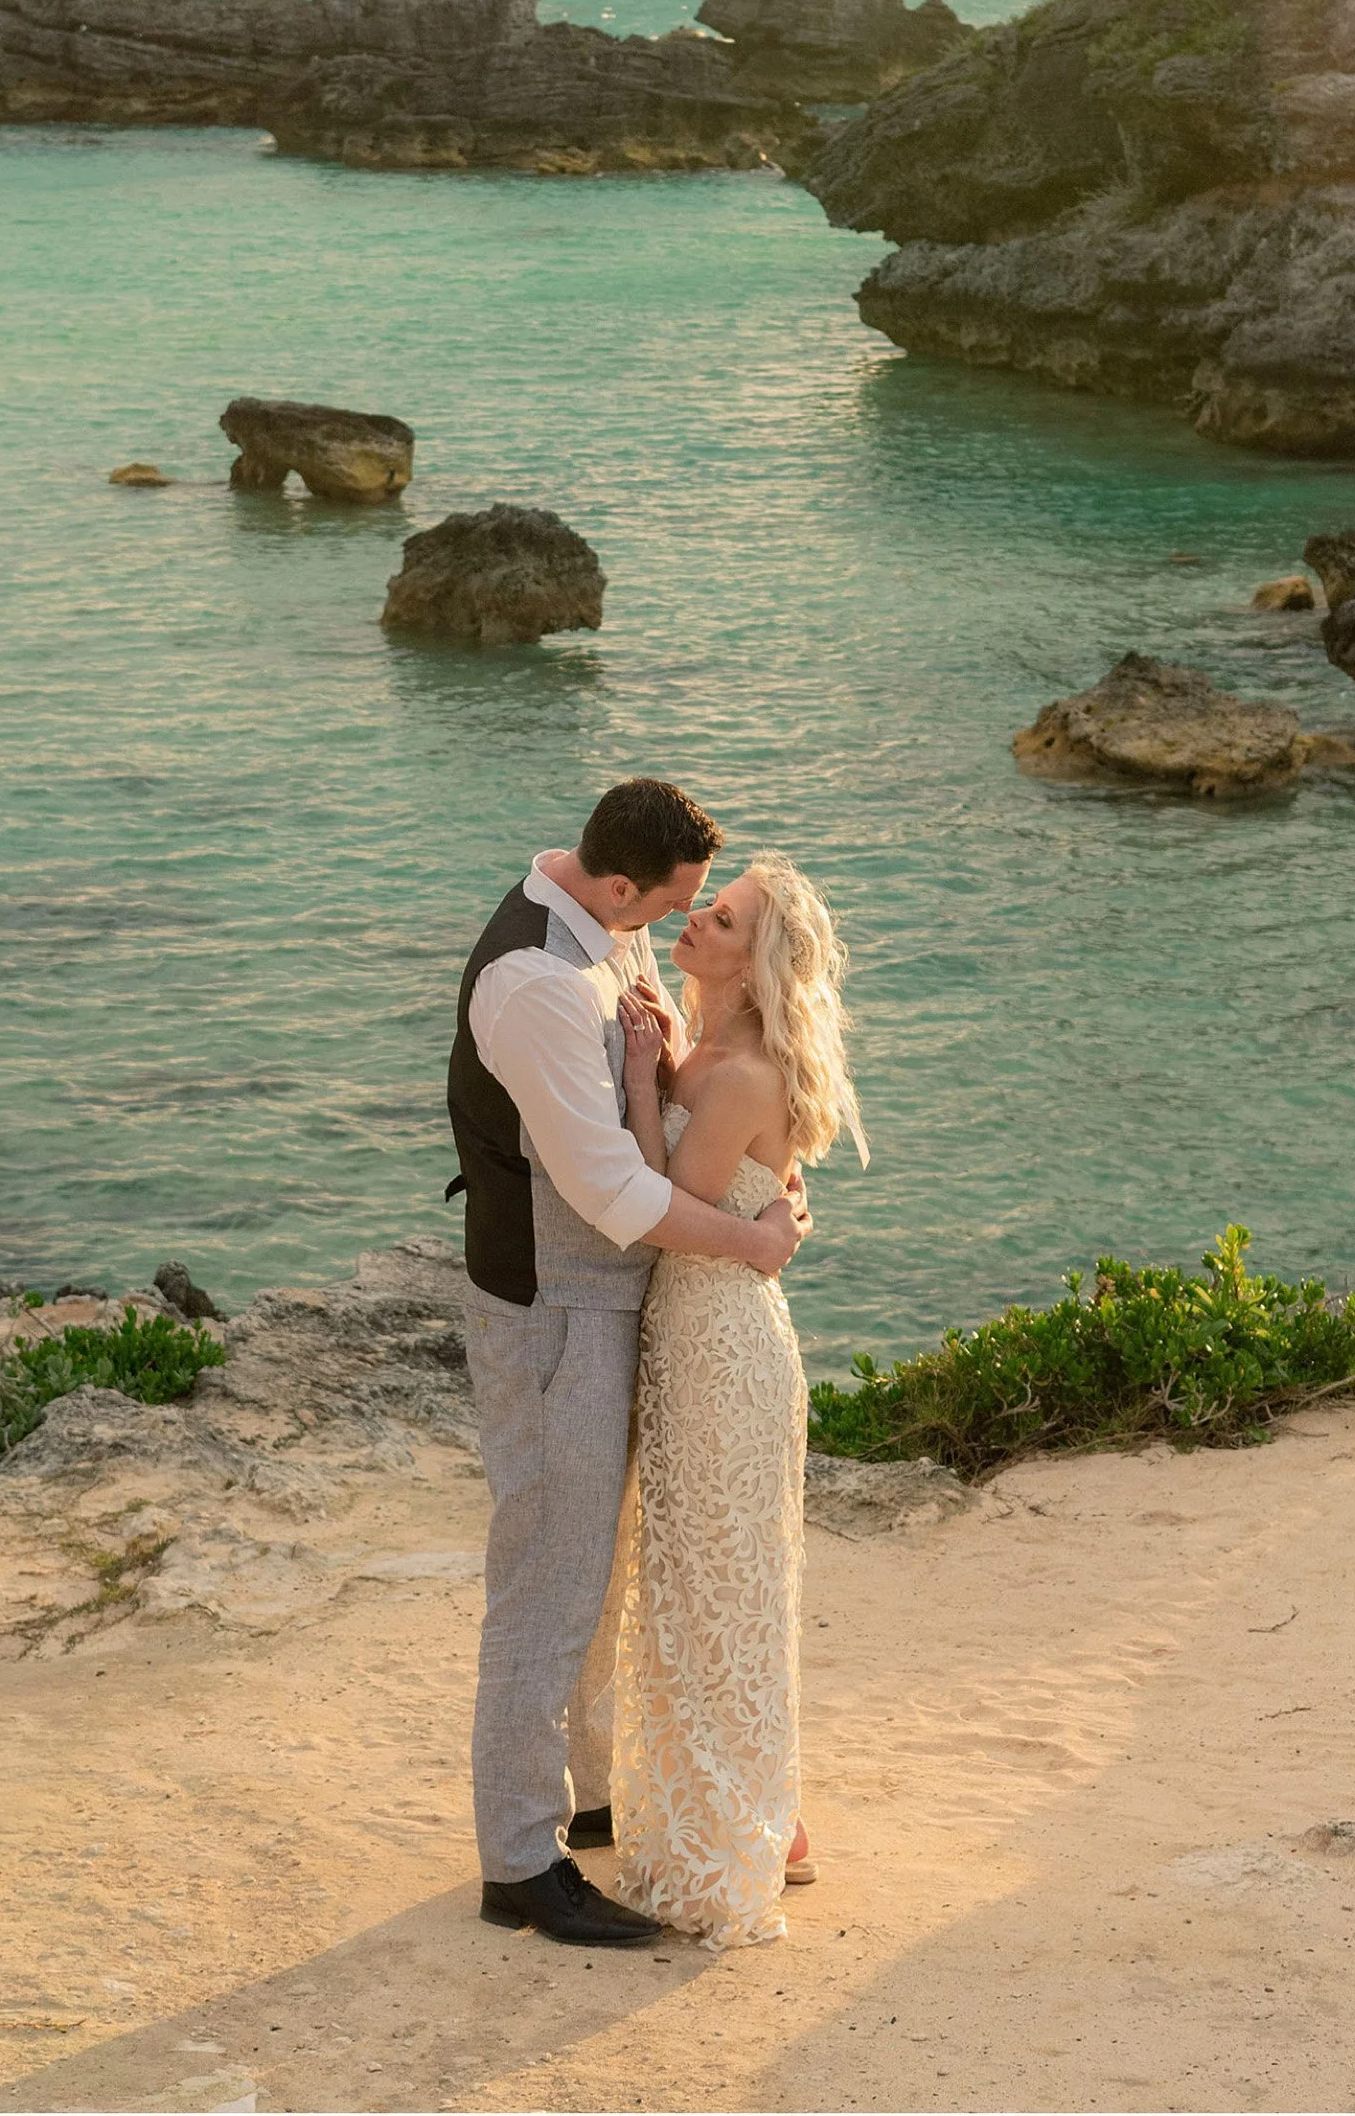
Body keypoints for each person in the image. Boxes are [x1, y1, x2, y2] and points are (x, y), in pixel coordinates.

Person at [448, 779, 810, 1949]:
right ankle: (518, 1862)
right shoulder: (535, 984)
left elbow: (678, 1098)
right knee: (550, 1580)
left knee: (600, 1580)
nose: (670, 925)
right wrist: (756, 1239)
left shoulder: (606, 927)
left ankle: (591, 1800)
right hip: (557, 1304)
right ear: (615, 884)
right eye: (666, 904)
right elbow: (610, 1192)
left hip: (626, 1311)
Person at [609, 851, 867, 1945]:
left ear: (755, 966)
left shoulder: (742, 1072)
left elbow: (664, 1203)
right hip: (689, 1340)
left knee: (721, 1600)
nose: (697, 927)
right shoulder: (701, 1048)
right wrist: (660, 1056)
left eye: (720, 921)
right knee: (693, 1594)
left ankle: (734, 1852)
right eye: (706, 911)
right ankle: (767, 1824)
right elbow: (756, 1193)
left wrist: (635, 1081)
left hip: (723, 1355)